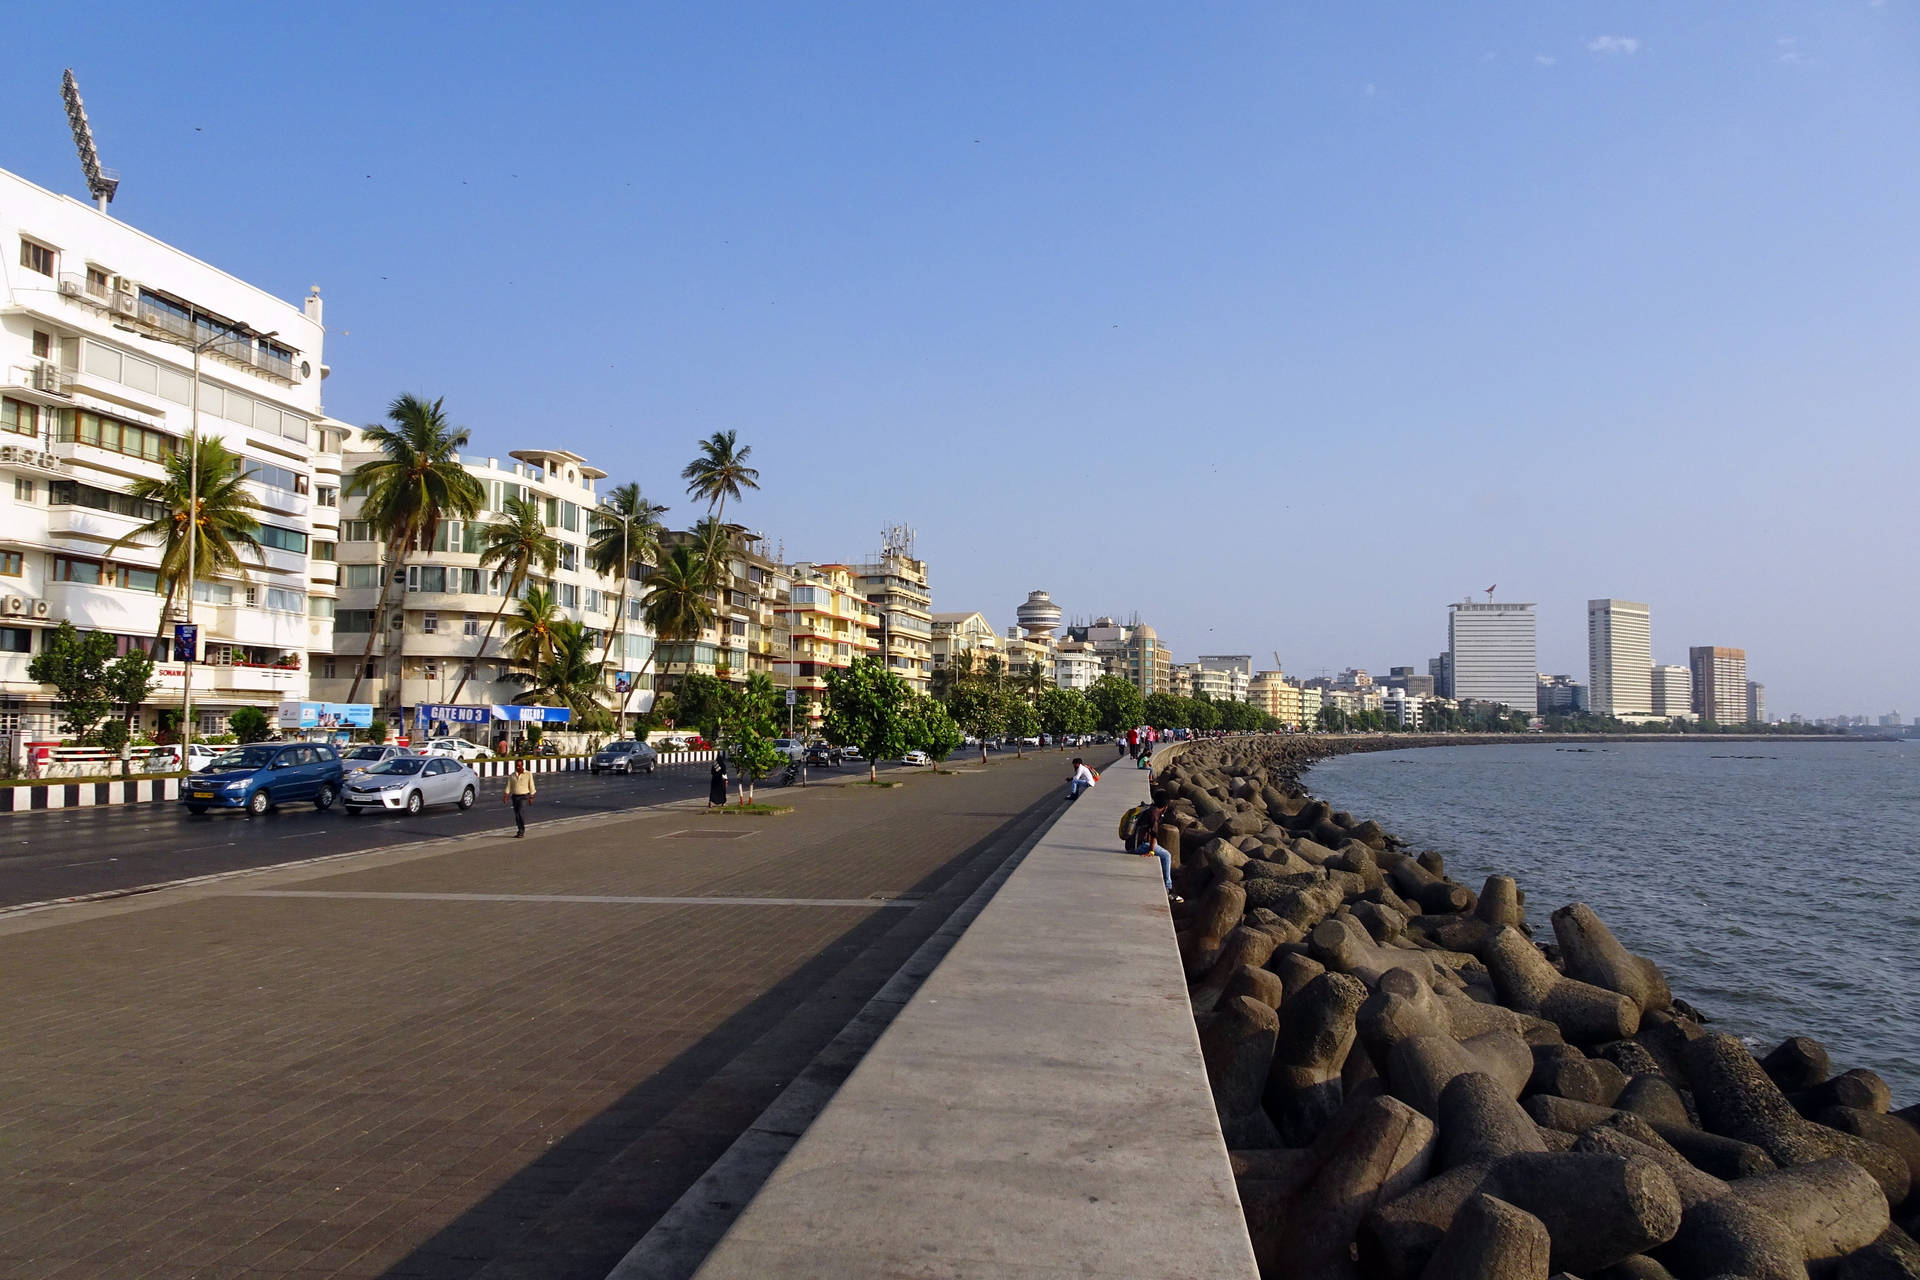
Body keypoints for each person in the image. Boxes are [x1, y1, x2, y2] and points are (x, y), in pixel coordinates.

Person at [1129, 792, 1181, 903]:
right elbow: (1153, 834)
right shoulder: (1155, 815)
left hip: (1132, 843)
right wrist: (1151, 851)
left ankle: (1167, 883)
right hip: (1138, 846)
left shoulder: (1150, 809)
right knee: (1166, 855)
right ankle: (1169, 888)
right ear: (1165, 806)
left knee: (1160, 850)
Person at [504, 761, 536, 837]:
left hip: (524, 796)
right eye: (516, 766)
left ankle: (521, 831)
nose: (518, 767)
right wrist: (506, 796)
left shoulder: (528, 774)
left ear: (522, 765)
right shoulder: (512, 775)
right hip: (515, 796)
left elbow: (531, 785)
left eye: (519, 766)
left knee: (520, 813)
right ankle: (519, 830)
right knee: (517, 814)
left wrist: (531, 797)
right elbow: (508, 786)